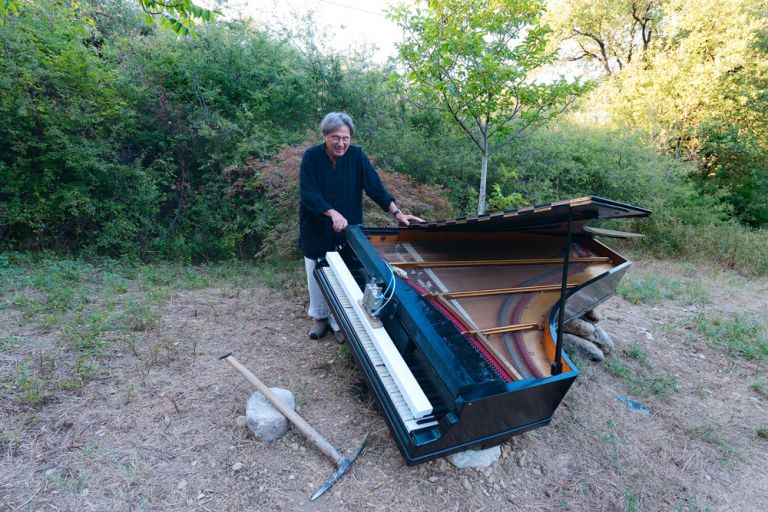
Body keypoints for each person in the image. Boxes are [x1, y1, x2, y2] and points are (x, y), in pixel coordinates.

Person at [300, 112, 424, 343]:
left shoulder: (357, 156)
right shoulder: (311, 157)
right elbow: (308, 193)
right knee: (315, 273)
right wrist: (332, 212)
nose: (341, 143)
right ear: (325, 136)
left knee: (344, 275)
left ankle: (339, 323)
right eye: (336, 138)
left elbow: (375, 187)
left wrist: (397, 212)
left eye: (346, 138)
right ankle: (319, 317)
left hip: (348, 230)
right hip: (316, 227)